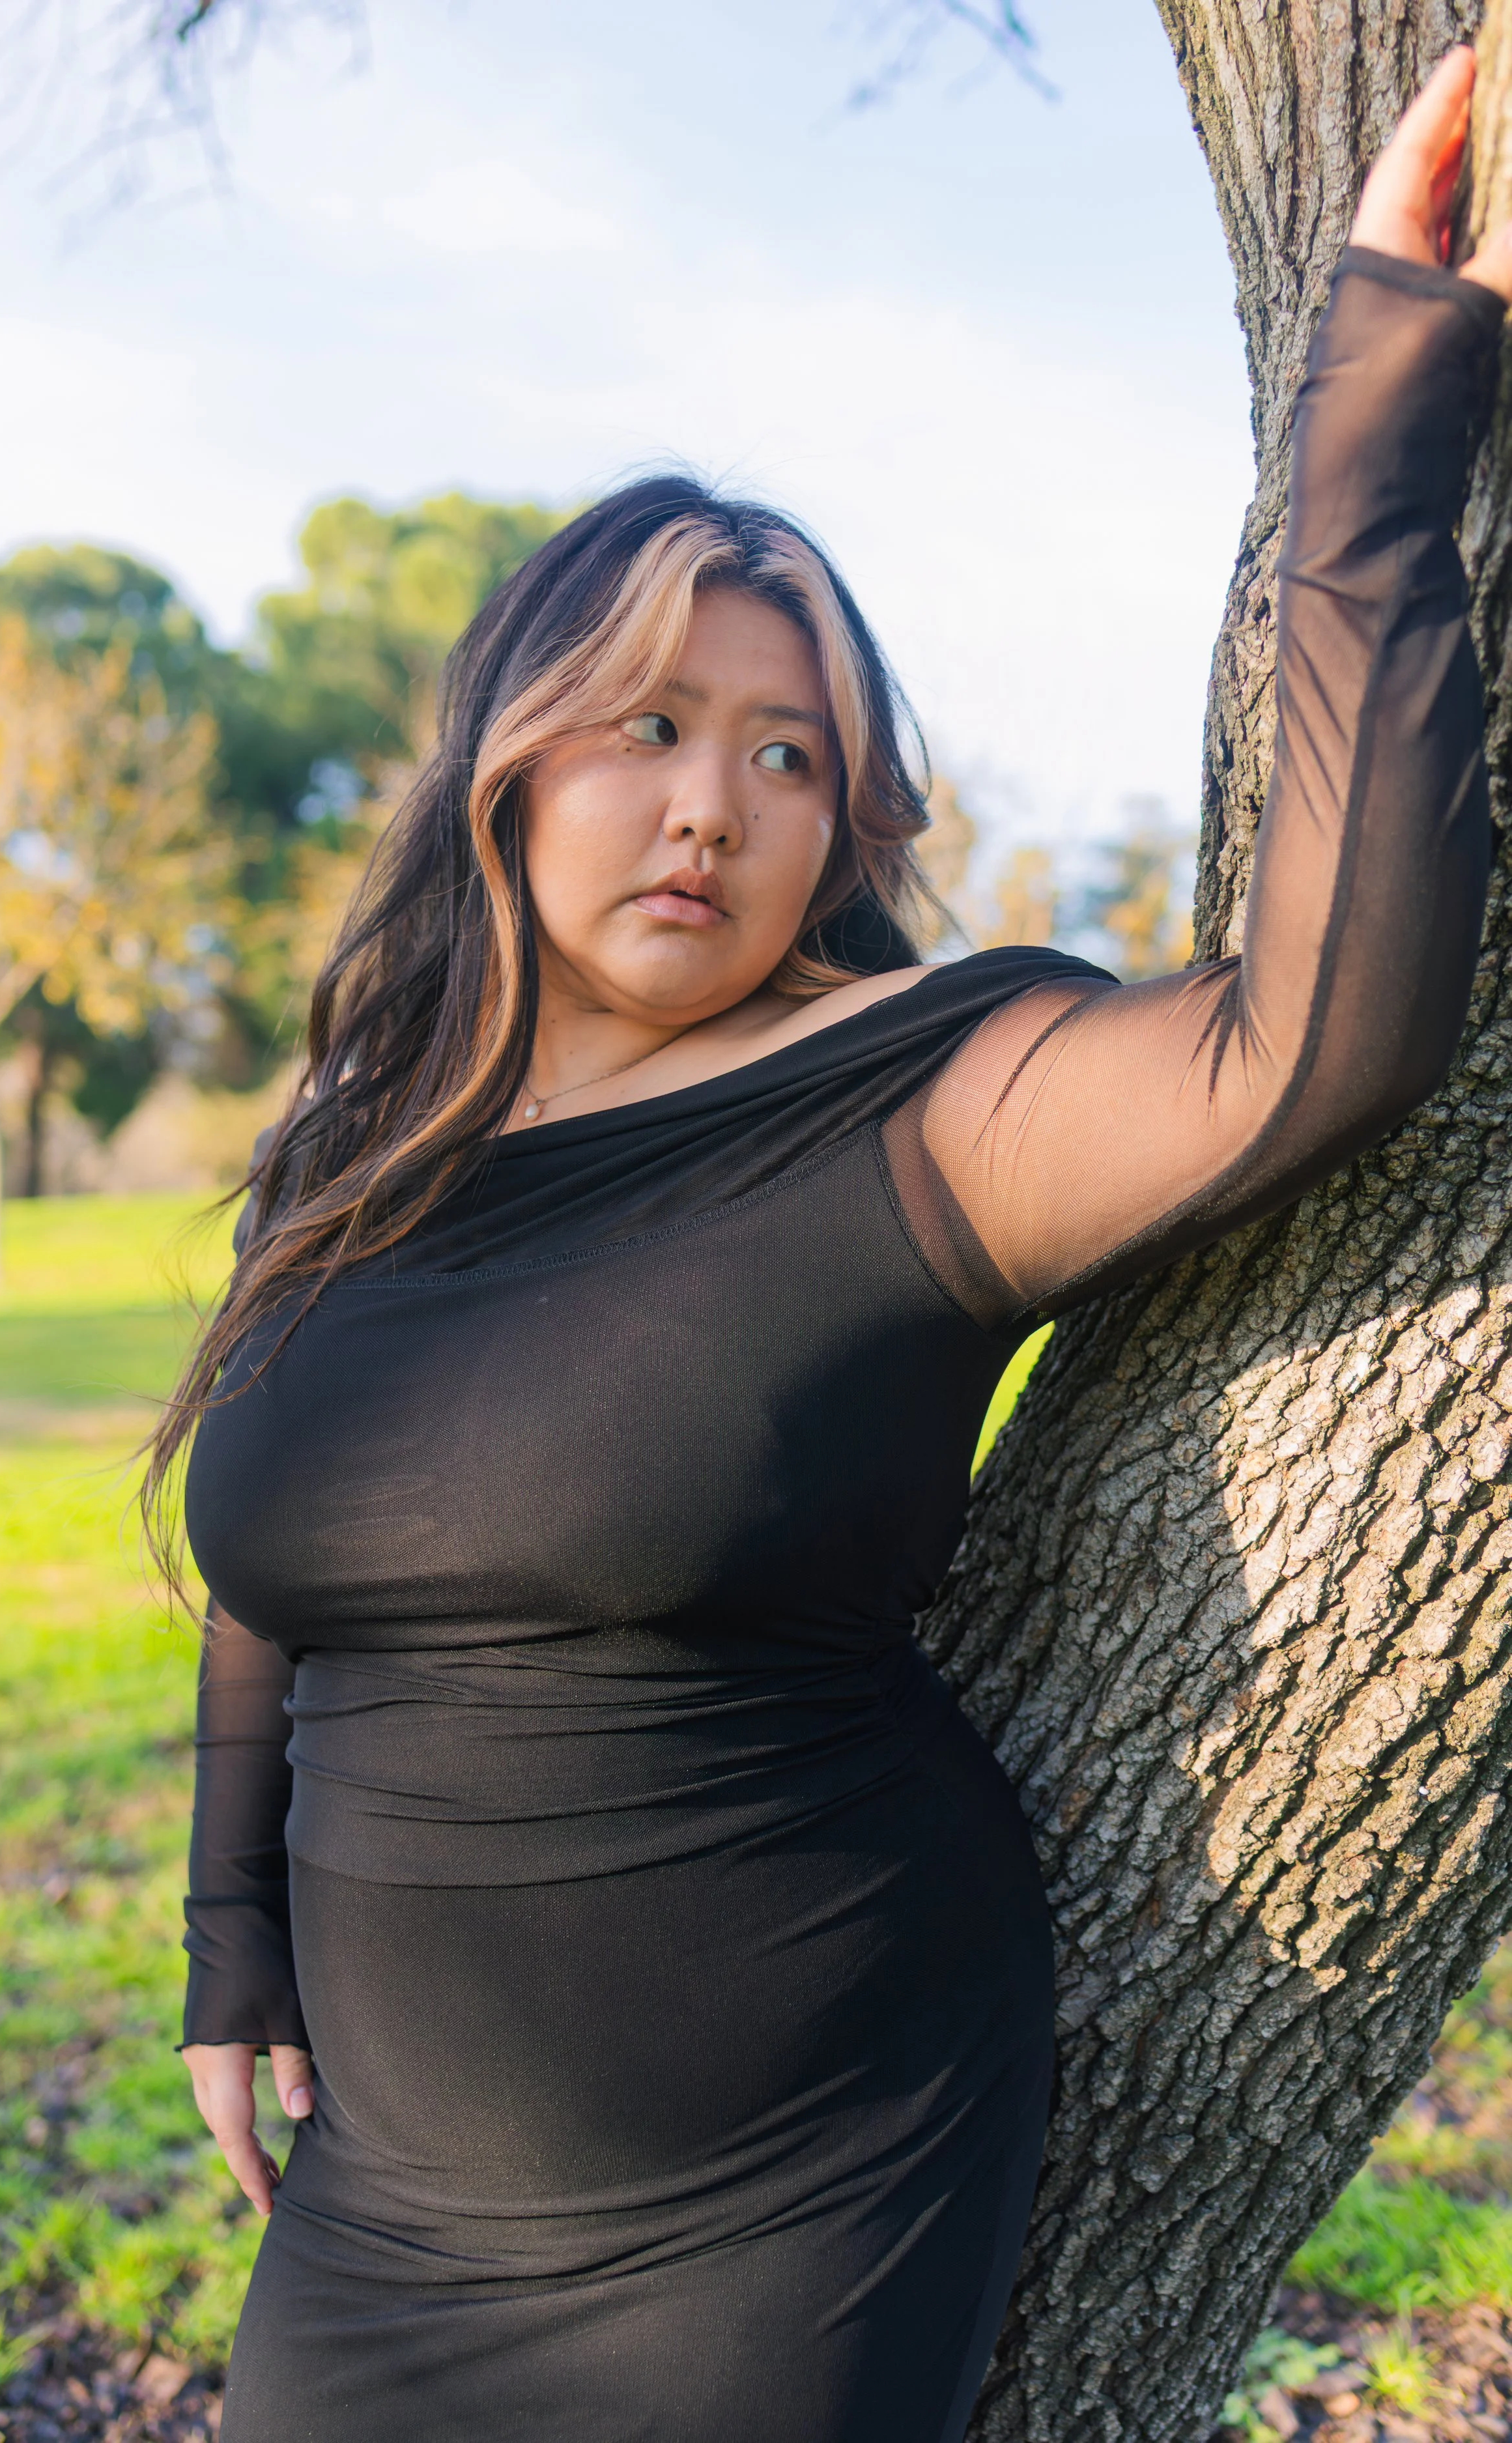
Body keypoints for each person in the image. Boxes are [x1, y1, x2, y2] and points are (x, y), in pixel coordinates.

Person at [149, 49, 1512, 2442]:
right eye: (650, 725)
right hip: (385, 2212)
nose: (711, 807)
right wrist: (229, 1933)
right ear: (509, 755)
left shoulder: (918, 1092)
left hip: (772, 2184)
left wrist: (1379, 418)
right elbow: (279, 1563)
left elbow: (1328, 1029)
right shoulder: (357, 1149)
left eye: (787, 753)